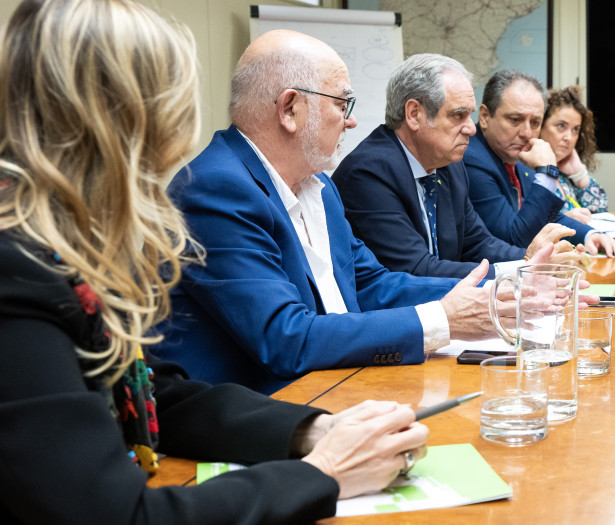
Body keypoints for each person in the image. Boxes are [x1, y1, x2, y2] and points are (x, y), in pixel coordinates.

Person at [0, 1, 427, 522]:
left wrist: (314, 431)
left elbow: (157, 394)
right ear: (122, 121)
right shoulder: (18, 267)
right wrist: (324, 474)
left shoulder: (69, 238)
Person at [156, 31, 521, 394]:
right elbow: (285, 338)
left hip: (338, 387)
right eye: (341, 104)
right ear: (290, 109)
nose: (351, 121)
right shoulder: (216, 190)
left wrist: (498, 294)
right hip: (259, 420)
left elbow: (372, 284)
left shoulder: (321, 187)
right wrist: (443, 319)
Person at [333, 54, 584, 279]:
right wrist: (525, 267)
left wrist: (536, 260)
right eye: (458, 115)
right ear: (414, 114)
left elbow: (477, 244)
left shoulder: (448, 166)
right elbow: (417, 269)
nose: (471, 128)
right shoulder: (369, 173)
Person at [464, 70, 615, 257]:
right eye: (515, 120)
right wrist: (548, 171)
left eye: (535, 122)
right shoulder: (472, 159)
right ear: (484, 117)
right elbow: (515, 238)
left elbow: (549, 217)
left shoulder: (517, 155)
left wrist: (589, 235)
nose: (527, 133)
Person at [539, 85, 607, 223]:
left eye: (575, 129)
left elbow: (601, 211)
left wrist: (580, 175)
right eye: (561, 126)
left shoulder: (564, 173)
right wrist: (563, 220)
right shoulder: (526, 172)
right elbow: (522, 228)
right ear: (540, 125)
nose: (569, 137)